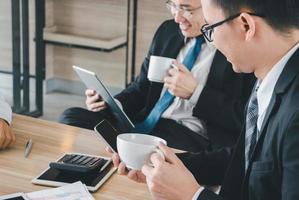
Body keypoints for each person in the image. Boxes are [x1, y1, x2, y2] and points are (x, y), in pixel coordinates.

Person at [112, 0, 299, 199]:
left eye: (210, 28)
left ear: (246, 26)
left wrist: (193, 195)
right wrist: (159, 165)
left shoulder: (294, 112)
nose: (212, 41)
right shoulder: (269, 75)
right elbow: (244, 159)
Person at [59, 0, 255, 152]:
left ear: (210, 7)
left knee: (147, 150)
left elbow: (243, 118)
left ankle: (122, 155)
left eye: (187, 9)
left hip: (188, 133)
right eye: (173, 5)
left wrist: (196, 93)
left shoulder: (234, 48)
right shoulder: (167, 31)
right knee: (71, 117)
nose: (178, 17)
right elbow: (140, 88)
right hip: (146, 122)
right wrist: (112, 104)